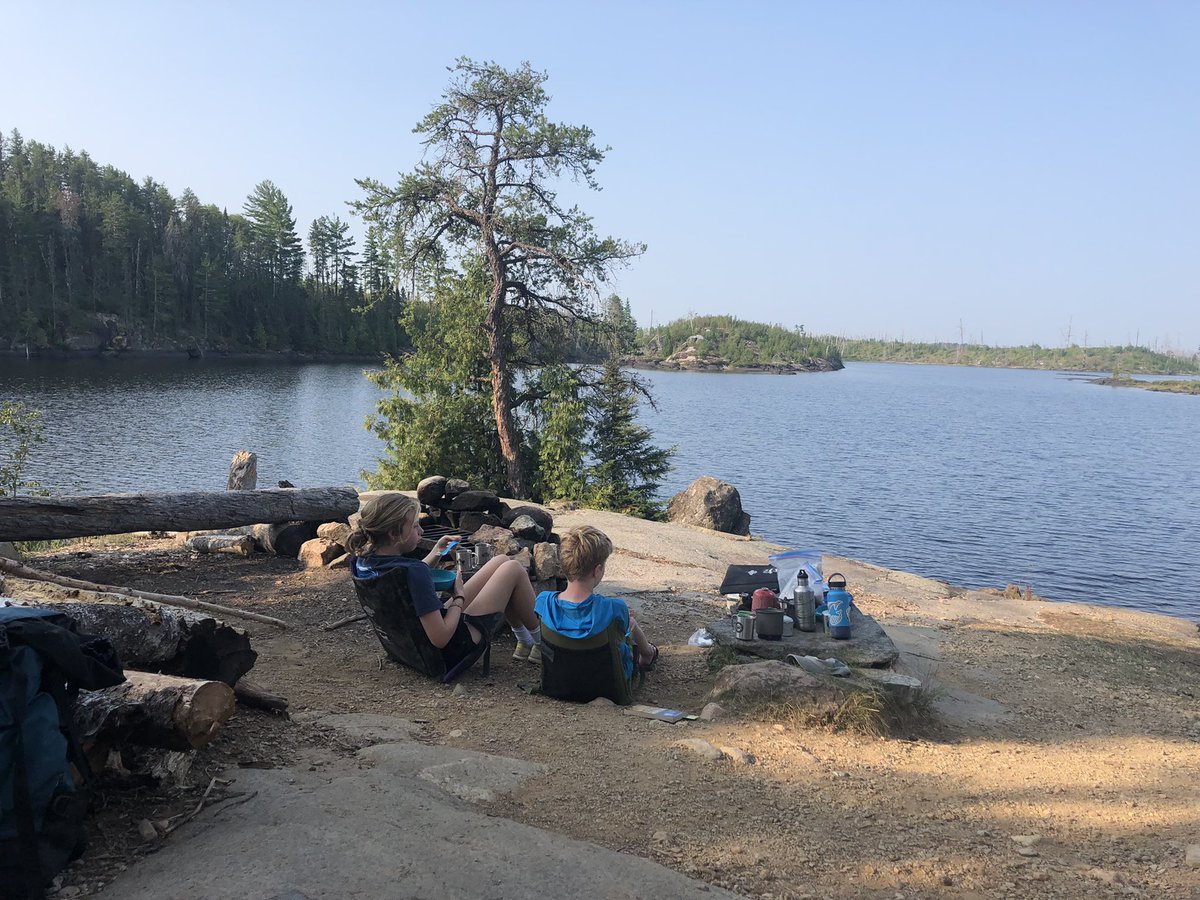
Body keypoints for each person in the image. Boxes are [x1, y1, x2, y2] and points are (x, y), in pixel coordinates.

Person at [346, 493, 543, 674]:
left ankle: (525, 642)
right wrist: (458, 596)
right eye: (415, 526)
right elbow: (441, 638)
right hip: (449, 653)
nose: (421, 530)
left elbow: (403, 581)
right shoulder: (415, 572)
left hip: (411, 649)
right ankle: (545, 643)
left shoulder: (362, 561)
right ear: (393, 534)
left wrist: (437, 552)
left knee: (500, 561)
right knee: (513, 569)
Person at [535, 525, 658, 682]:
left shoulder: (544, 602)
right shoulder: (614, 607)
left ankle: (648, 652)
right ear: (597, 570)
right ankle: (648, 654)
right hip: (608, 684)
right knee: (630, 623)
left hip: (559, 682)